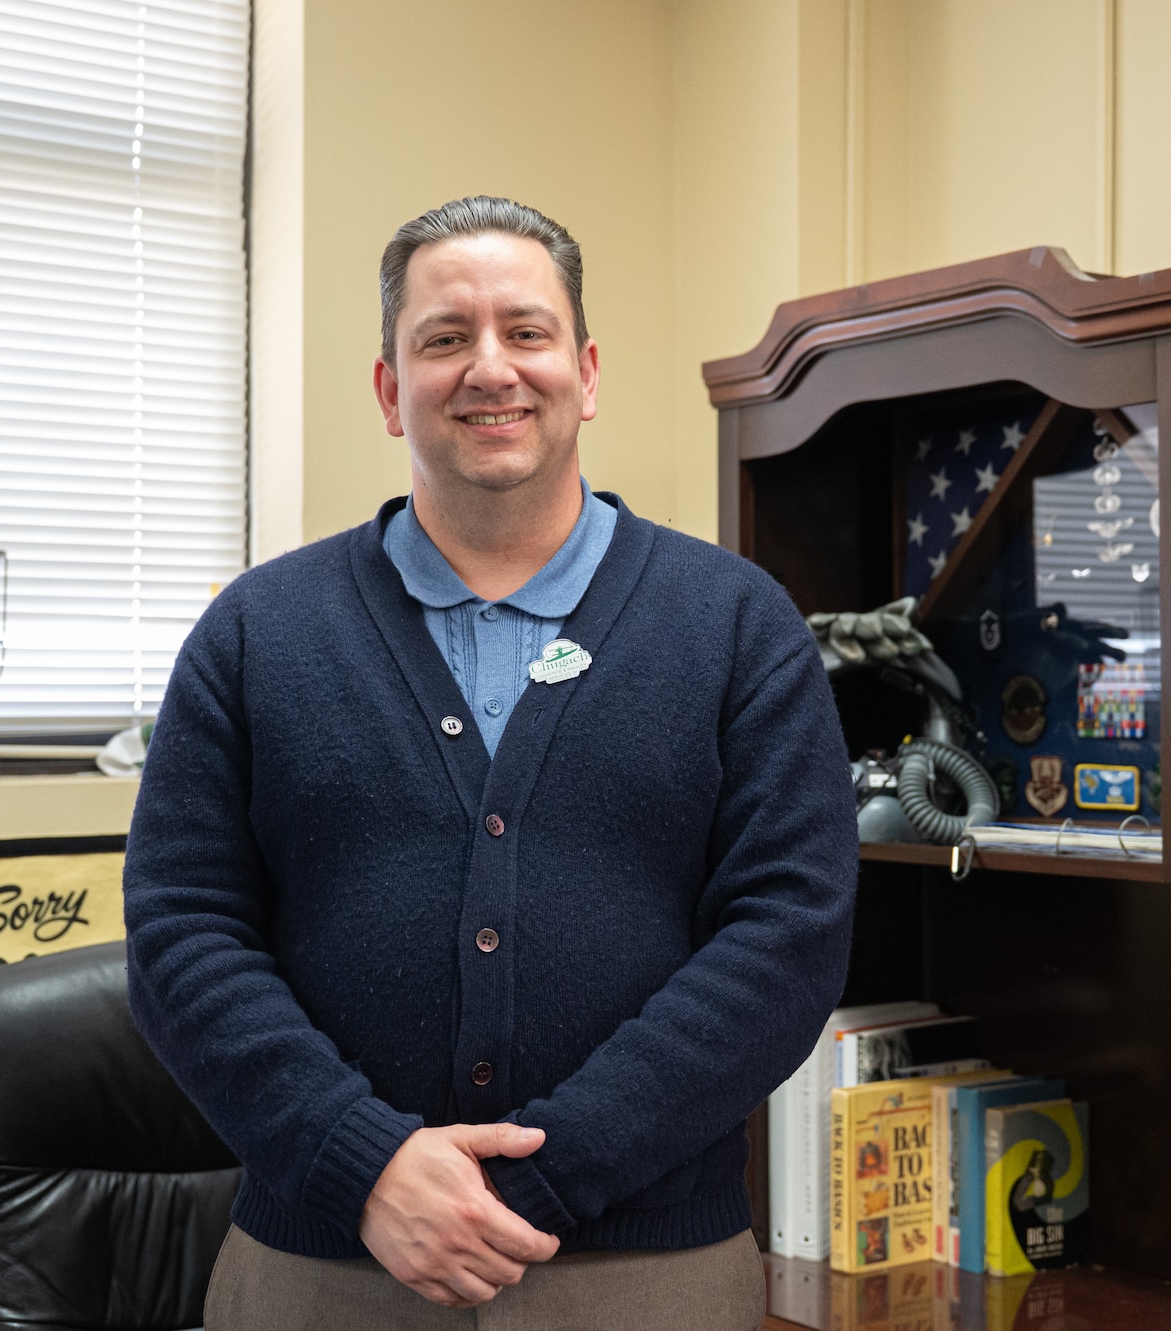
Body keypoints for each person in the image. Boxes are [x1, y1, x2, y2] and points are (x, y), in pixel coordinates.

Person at [123, 196, 858, 1329]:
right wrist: (362, 1162)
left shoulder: (735, 625)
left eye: (525, 331)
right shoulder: (255, 632)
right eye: (442, 337)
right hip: (321, 1263)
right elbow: (181, 934)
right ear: (388, 389)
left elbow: (786, 940)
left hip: (645, 1271)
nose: (489, 369)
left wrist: (537, 1179)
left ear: (586, 370)